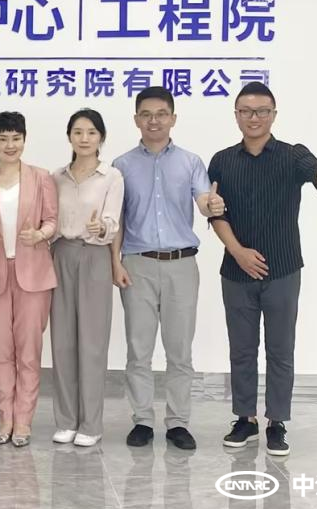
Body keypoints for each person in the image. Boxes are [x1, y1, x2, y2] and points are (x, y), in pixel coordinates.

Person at [208, 81, 317, 456]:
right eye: (246, 111)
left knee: (281, 350)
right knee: (241, 349)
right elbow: (215, 213)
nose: (253, 118)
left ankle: (277, 423)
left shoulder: (292, 155)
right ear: (236, 115)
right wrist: (238, 252)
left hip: (282, 269)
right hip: (236, 271)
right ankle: (245, 419)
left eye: (262, 111)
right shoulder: (222, 160)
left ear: (273, 115)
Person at [111, 86, 225, 451]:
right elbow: (117, 220)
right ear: (136, 120)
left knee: (180, 351)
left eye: (161, 114)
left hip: (181, 265)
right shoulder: (121, 166)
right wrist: (115, 262)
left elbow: (203, 200)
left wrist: (211, 204)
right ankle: (143, 420)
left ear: (173, 118)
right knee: (138, 349)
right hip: (137, 265)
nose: (154, 121)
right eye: (146, 114)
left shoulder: (190, 162)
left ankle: (178, 423)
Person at [0, 111, 58, 448]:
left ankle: (23, 421)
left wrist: (40, 235)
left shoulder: (41, 177)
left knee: (29, 352)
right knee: (2, 352)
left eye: (16, 138)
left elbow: (52, 221)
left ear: (24, 140)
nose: (10, 145)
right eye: (3, 139)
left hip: (33, 274)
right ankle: (5, 418)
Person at [49, 109, 124, 447]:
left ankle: (91, 424)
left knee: (92, 343)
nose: (84, 138)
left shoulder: (112, 177)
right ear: (69, 136)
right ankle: (66, 420)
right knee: (62, 341)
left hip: (95, 256)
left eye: (91, 132)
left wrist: (100, 227)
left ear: (101, 138)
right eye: (78, 132)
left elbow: (113, 221)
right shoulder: (56, 177)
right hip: (60, 255)